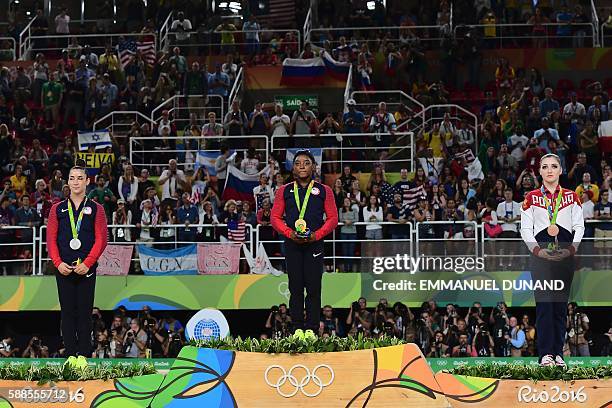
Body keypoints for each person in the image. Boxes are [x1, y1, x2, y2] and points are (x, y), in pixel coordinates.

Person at [520, 153, 584, 367]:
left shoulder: (571, 197)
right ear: (539, 171)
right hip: (541, 258)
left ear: (560, 170)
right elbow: (525, 229)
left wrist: (571, 250)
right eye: (545, 166)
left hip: (564, 257)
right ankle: (545, 355)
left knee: (559, 306)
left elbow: (579, 226)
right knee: (544, 306)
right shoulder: (531, 198)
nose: (549, 170)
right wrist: (537, 251)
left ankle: (558, 355)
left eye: (554, 166)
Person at [271, 150, 338, 337]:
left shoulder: (325, 190)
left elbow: (333, 218)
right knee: (295, 288)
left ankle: (312, 329)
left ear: (314, 167)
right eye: (298, 162)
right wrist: (288, 233)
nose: (302, 165)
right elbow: (275, 218)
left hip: (314, 244)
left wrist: (316, 235)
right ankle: (297, 329)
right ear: (293, 168)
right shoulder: (283, 190)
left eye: (306, 162)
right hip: (292, 243)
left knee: (314, 288)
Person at [47, 165, 108, 363]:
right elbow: (51, 240)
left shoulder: (97, 209)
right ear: (68, 182)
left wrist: (89, 263)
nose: (75, 182)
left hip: (86, 269)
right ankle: (70, 356)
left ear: (87, 181)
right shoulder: (57, 209)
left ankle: (83, 355)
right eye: (72, 178)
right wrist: (57, 263)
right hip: (64, 269)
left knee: (84, 313)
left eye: (79, 178)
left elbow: (101, 240)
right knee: (67, 313)